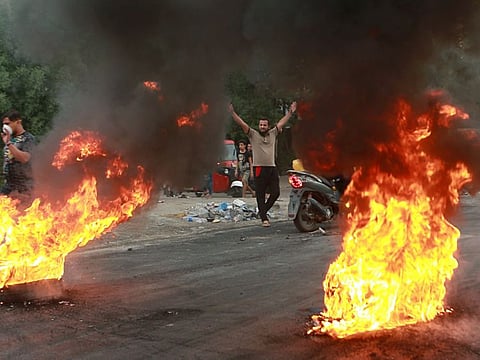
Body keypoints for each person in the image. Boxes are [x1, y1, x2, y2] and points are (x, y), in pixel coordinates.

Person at [229, 101, 297, 227]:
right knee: (260, 193)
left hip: (272, 168)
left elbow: (282, 122)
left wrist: (291, 112)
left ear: (268, 126)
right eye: (261, 125)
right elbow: (242, 124)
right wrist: (232, 113)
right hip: (259, 168)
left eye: (264, 125)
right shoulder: (253, 134)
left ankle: (263, 211)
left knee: (275, 192)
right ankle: (264, 218)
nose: (262, 127)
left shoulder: (273, 133)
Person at [1, 110, 36, 200]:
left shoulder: (28, 138)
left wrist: (9, 144)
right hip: (8, 186)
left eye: (8, 124)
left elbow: (25, 158)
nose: (5, 127)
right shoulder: (9, 139)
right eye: (4, 124)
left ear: (18, 122)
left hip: (23, 187)